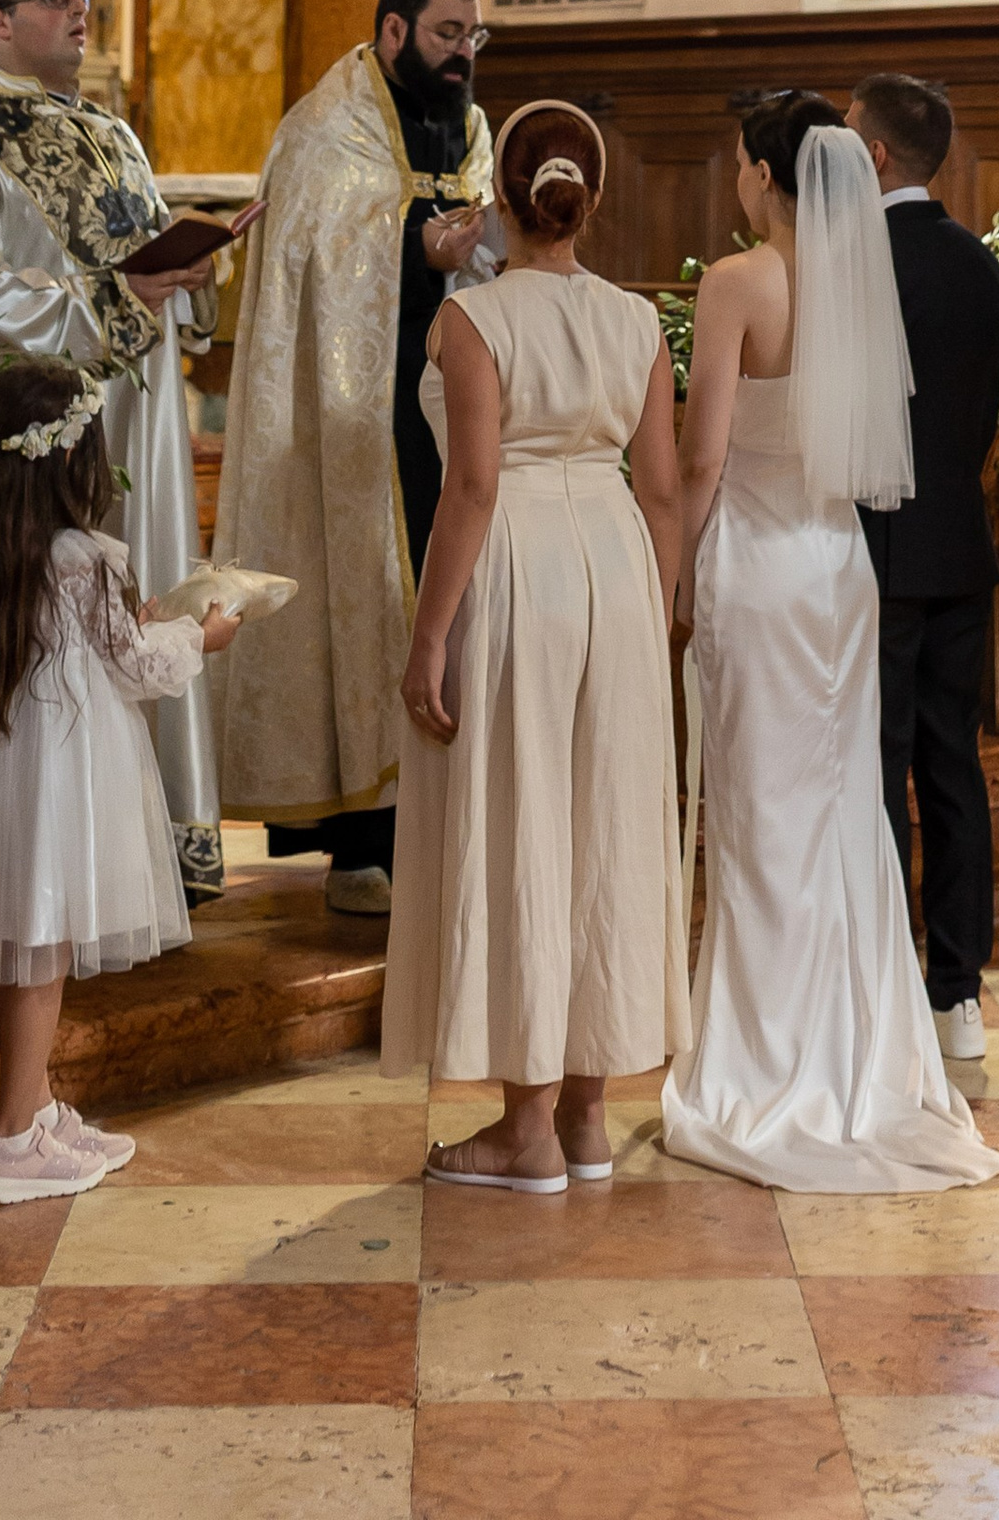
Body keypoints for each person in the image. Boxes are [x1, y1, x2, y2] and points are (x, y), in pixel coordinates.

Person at [661, 90, 999, 1193]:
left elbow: (703, 458)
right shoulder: (862, 286)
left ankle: (766, 1062)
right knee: (842, 815)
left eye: (734, 164)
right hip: (840, 569)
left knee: (762, 819)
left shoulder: (738, 282)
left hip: (760, 572)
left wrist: (669, 572)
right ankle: (860, 1053)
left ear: (765, 175)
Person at [383, 99, 687, 1190]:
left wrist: (429, 635)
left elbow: (469, 486)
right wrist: (651, 619)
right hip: (612, 563)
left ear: (501, 201)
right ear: (589, 202)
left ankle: (522, 1131)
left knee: (523, 820)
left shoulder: (474, 317)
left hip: (514, 564)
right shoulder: (637, 319)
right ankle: (588, 1122)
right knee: (600, 824)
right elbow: (661, 490)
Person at [0, 0, 229, 902]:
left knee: (147, 587)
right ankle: (45, 851)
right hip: (40, 427)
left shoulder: (112, 134)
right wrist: (110, 296)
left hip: (141, 406)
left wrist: (189, 277)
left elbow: (146, 267)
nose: (79, 11)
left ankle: (156, 836)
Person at [0, 354, 242, 1200]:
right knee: (42, 948)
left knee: (21, 941)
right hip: (65, 769)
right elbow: (132, 664)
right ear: (73, 459)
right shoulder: (84, 554)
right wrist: (200, 638)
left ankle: (38, 1104)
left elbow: (69, 644)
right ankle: (15, 1136)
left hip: (12, 759)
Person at [212, 0, 497, 913]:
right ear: (393, 31)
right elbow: (321, 247)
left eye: (473, 36)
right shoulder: (324, 126)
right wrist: (417, 244)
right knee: (364, 599)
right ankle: (361, 847)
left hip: (447, 413)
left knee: (446, 597)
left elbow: (485, 231)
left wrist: (466, 250)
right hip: (352, 426)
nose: (462, 54)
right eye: (447, 33)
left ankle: (445, 816)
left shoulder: (472, 123)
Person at [847, 71, 999, 1069]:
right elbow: (978, 417)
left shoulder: (855, 268)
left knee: (872, 773)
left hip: (876, 550)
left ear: (871, 157)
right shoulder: (978, 264)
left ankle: (877, 984)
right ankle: (957, 994)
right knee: (953, 772)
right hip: (960, 543)